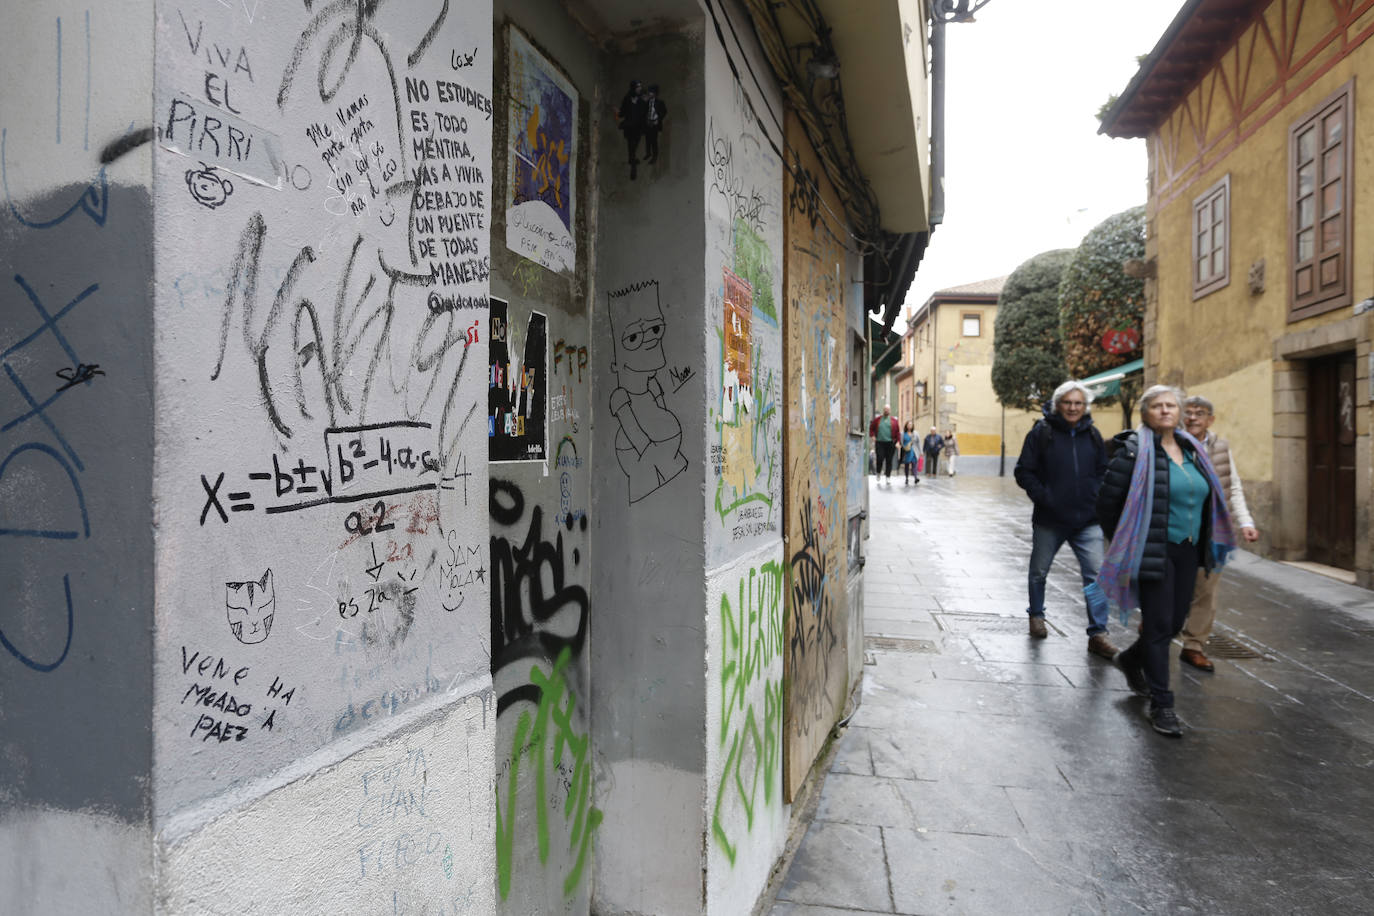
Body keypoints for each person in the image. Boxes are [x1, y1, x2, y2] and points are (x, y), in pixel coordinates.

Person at [1097, 385, 1236, 738]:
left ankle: (1130, 659)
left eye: (1170, 405)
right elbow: (1107, 505)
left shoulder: (1193, 450)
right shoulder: (1133, 452)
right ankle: (1163, 704)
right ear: (1146, 413)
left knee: (1173, 623)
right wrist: (1130, 544)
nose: (1164, 411)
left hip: (1188, 549)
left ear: (1179, 411)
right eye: (1157, 406)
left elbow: (1209, 497)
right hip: (1150, 549)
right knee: (1159, 627)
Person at [1013, 380, 1116, 658]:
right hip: (1050, 519)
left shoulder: (1093, 435)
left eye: (1078, 403)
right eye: (1068, 403)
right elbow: (1024, 471)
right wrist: (1045, 497)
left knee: (1095, 576)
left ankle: (1098, 633)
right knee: (1039, 572)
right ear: (1058, 405)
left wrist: (1095, 495)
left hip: (1087, 521)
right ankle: (1036, 615)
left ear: (1085, 407)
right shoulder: (1042, 433)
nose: (1073, 408)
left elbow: (1102, 470)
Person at [1177, 396, 1260, 672]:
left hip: (1212, 530)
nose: (1192, 418)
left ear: (1210, 420)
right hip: (1177, 527)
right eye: (1188, 413)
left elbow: (1233, 486)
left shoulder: (1221, 448)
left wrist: (1245, 521)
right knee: (1174, 586)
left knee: (1206, 591)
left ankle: (1193, 646)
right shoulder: (1170, 443)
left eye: (1199, 413)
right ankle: (1155, 637)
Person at [618, 80, 647, 179]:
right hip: (631, 126)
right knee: (632, 145)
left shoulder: (640, 97)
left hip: (637, 126)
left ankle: (632, 160)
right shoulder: (628, 98)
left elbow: (644, 110)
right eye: (638, 87)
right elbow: (621, 113)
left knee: (633, 145)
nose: (639, 88)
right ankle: (632, 161)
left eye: (640, 87)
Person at [869, 405, 900, 483]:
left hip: (890, 443)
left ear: (890, 411)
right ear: (883, 410)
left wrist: (898, 442)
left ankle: (888, 476)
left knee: (889, 460)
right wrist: (872, 436)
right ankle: (878, 472)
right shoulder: (877, 420)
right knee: (880, 458)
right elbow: (871, 428)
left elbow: (897, 432)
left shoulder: (894, 421)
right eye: (885, 409)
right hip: (879, 442)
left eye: (888, 409)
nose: (886, 410)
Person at [642, 85, 667, 164]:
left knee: (653, 141)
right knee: (647, 139)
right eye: (649, 92)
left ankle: (654, 157)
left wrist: (658, 119)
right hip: (648, 122)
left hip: (655, 123)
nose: (649, 93)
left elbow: (664, 112)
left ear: (655, 93)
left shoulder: (660, 102)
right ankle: (648, 153)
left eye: (651, 92)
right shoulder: (647, 102)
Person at [900, 421, 920, 485]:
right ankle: (906, 478)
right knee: (907, 465)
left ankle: (916, 477)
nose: (910, 426)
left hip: (914, 451)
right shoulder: (903, 433)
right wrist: (905, 447)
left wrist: (921, 451)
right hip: (907, 451)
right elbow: (901, 442)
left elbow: (918, 442)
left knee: (914, 464)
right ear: (906, 425)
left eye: (911, 425)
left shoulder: (915, 433)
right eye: (908, 424)